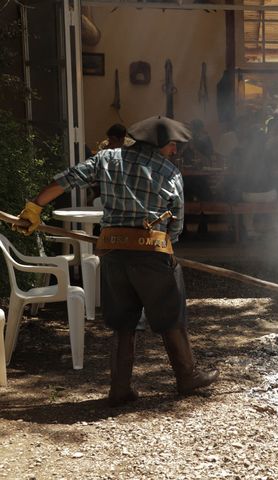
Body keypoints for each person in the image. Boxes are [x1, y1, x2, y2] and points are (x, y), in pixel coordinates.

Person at [13, 115, 218, 407]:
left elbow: (65, 179)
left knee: (124, 324)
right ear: (161, 144)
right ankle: (187, 377)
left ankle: (119, 389)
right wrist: (167, 244)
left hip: (112, 252)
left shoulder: (106, 158)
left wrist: (34, 207)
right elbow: (177, 226)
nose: (174, 150)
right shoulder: (169, 172)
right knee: (171, 317)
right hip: (152, 253)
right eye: (172, 145)